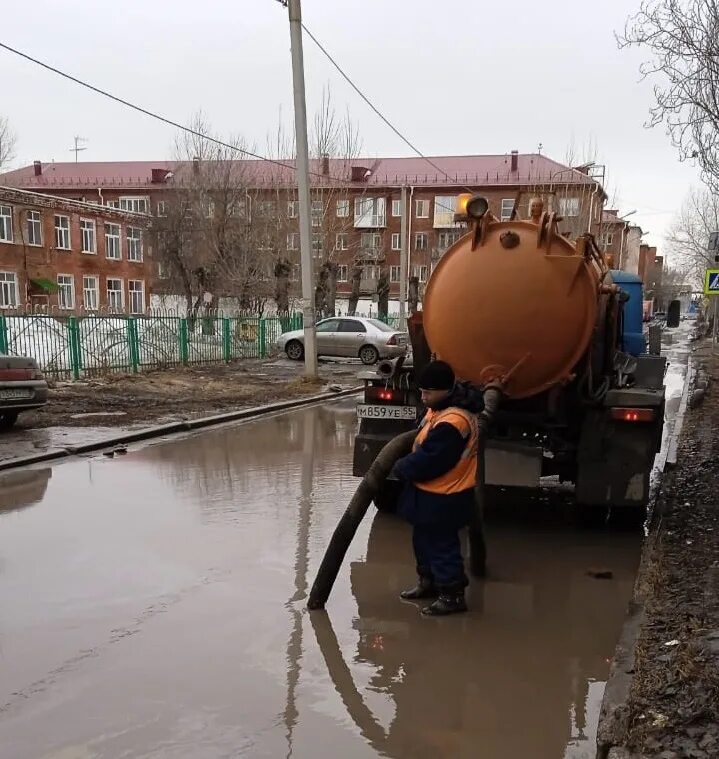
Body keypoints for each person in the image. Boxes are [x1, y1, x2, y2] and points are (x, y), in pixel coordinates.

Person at [390, 359, 479, 616]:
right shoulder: (439, 409)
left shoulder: (454, 421)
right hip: (430, 492)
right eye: (421, 391)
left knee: (442, 545)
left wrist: (402, 467)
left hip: (447, 494)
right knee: (423, 540)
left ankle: (452, 595)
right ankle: (428, 582)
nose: (423, 396)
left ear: (445, 390)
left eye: (428, 392)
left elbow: (432, 459)